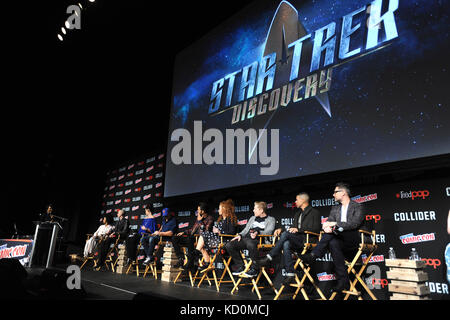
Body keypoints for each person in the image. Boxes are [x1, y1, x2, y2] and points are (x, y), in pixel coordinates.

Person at [299, 182, 364, 292]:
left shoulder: (358, 206)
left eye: (335, 192)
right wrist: (326, 227)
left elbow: (354, 223)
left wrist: (335, 225)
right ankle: (343, 282)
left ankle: (314, 255)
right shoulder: (335, 208)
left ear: (343, 193)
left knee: (332, 234)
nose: (333, 195)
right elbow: (328, 221)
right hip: (338, 239)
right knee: (333, 242)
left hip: (353, 238)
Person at [257, 192, 321, 284]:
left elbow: (316, 229)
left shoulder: (315, 212)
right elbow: (292, 228)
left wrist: (299, 230)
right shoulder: (298, 213)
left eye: (297, 200)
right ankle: (290, 273)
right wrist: (280, 229)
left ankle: (270, 256)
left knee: (286, 238)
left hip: (308, 240)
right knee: (286, 242)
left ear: (303, 200)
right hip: (297, 240)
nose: (295, 202)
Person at [225, 201, 276, 278]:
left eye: (255, 209)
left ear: (261, 210)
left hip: (259, 240)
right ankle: (240, 266)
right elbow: (246, 230)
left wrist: (258, 232)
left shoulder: (271, 219)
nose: (253, 210)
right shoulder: (252, 218)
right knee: (229, 245)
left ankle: (254, 269)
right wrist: (240, 235)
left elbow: (269, 231)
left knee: (250, 243)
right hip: (247, 239)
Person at [196, 199, 238, 272]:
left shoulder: (230, 219)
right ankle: (207, 262)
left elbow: (232, 233)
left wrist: (219, 231)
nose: (218, 210)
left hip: (225, 242)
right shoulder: (221, 220)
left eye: (219, 208)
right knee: (202, 242)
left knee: (204, 235)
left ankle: (197, 255)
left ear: (224, 209)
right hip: (218, 240)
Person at [172, 202, 214, 271]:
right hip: (193, 238)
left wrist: (200, 221)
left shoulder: (210, 218)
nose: (197, 211)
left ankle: (190, 264)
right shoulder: (199, 218)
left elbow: (206, 231)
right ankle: (181, 258)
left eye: (198, 210)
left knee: (190, 239)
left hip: (201, 240)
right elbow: (192, 230)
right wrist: (184, 232)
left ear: (202, 211)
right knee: (175, 238)